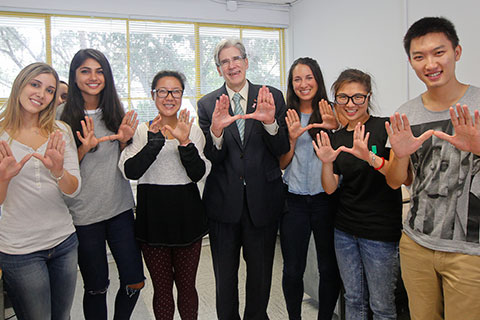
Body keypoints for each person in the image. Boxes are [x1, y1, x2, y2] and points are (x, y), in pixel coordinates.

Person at [385, 17, 480, 319]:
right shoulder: (406, 114)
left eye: (439, 52)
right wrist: (399, 156)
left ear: (457, 52)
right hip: (416, 242)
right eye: (419, 56)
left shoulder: (478, 104)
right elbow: (395, 181)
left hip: (470, 249)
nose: (430, 63)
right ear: (411, 62)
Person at [197, 38, 289, 319]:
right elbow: (213, 158)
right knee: (225, 280)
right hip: (223, 204)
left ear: (247, 62)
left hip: (263, 201)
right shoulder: (207, 104)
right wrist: (215, 131)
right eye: (225, 61)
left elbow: (281, 149)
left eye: (236, 59)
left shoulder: (270, 95)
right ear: (218, 68)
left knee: (260, 278)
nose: (232, 65)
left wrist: (270, 122)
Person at [58, 48, 145, 320]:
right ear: (74, 76)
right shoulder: (60, 116)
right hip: (83, 216)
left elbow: (125, 163)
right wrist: (82, 149)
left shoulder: (115, 111)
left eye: (99, 71)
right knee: (96, 288)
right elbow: (59, 170)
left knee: (134, 281)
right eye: (85, 71)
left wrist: (123, 141)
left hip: (119, 208)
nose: (93, 77)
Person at [313, 69, 404, 320]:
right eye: (343, 98)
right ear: (335, 99)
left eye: (357, 98)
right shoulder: (337, 137)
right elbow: (330, 188)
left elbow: (398, 179)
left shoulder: (386, 128)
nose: (350, 104)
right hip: (345, 231)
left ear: (368, 97)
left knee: (382, 305)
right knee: (353, 299)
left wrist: (371, 157)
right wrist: (326, 162)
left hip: (380, 232)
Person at [119, 70, 210, 319]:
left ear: (182, 95)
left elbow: (198, 174)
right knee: (161, 291)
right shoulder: (140, 131)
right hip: (153, 224)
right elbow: (130, 170)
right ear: (153, 95)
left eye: (175, 91)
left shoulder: (193, 131)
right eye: (163, 91)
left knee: (187, 288)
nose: (169, 97)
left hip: (188, 222)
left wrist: (183, 142)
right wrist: (155, 141)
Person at [0, 62, 80, 319]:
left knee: (62, 315)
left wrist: (58, 171)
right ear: (20, 85)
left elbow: (73, 191)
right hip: (20, 250)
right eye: (35, 84)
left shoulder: (60, 131)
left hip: (64, 241)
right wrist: (3, 179)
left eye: (49, 90)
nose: (41, 94)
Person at [278, 57, 341, 320]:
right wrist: (291, 139)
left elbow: (343, 154)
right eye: (297, 79)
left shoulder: (333, 112)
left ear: (318, 79)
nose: (303, 84)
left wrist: (334, 129)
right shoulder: (286, 115)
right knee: (293, 269)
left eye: (308, 77)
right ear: (291, 84)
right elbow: (281, 163)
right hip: (293, 201)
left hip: (326, 199)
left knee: (328, 268)